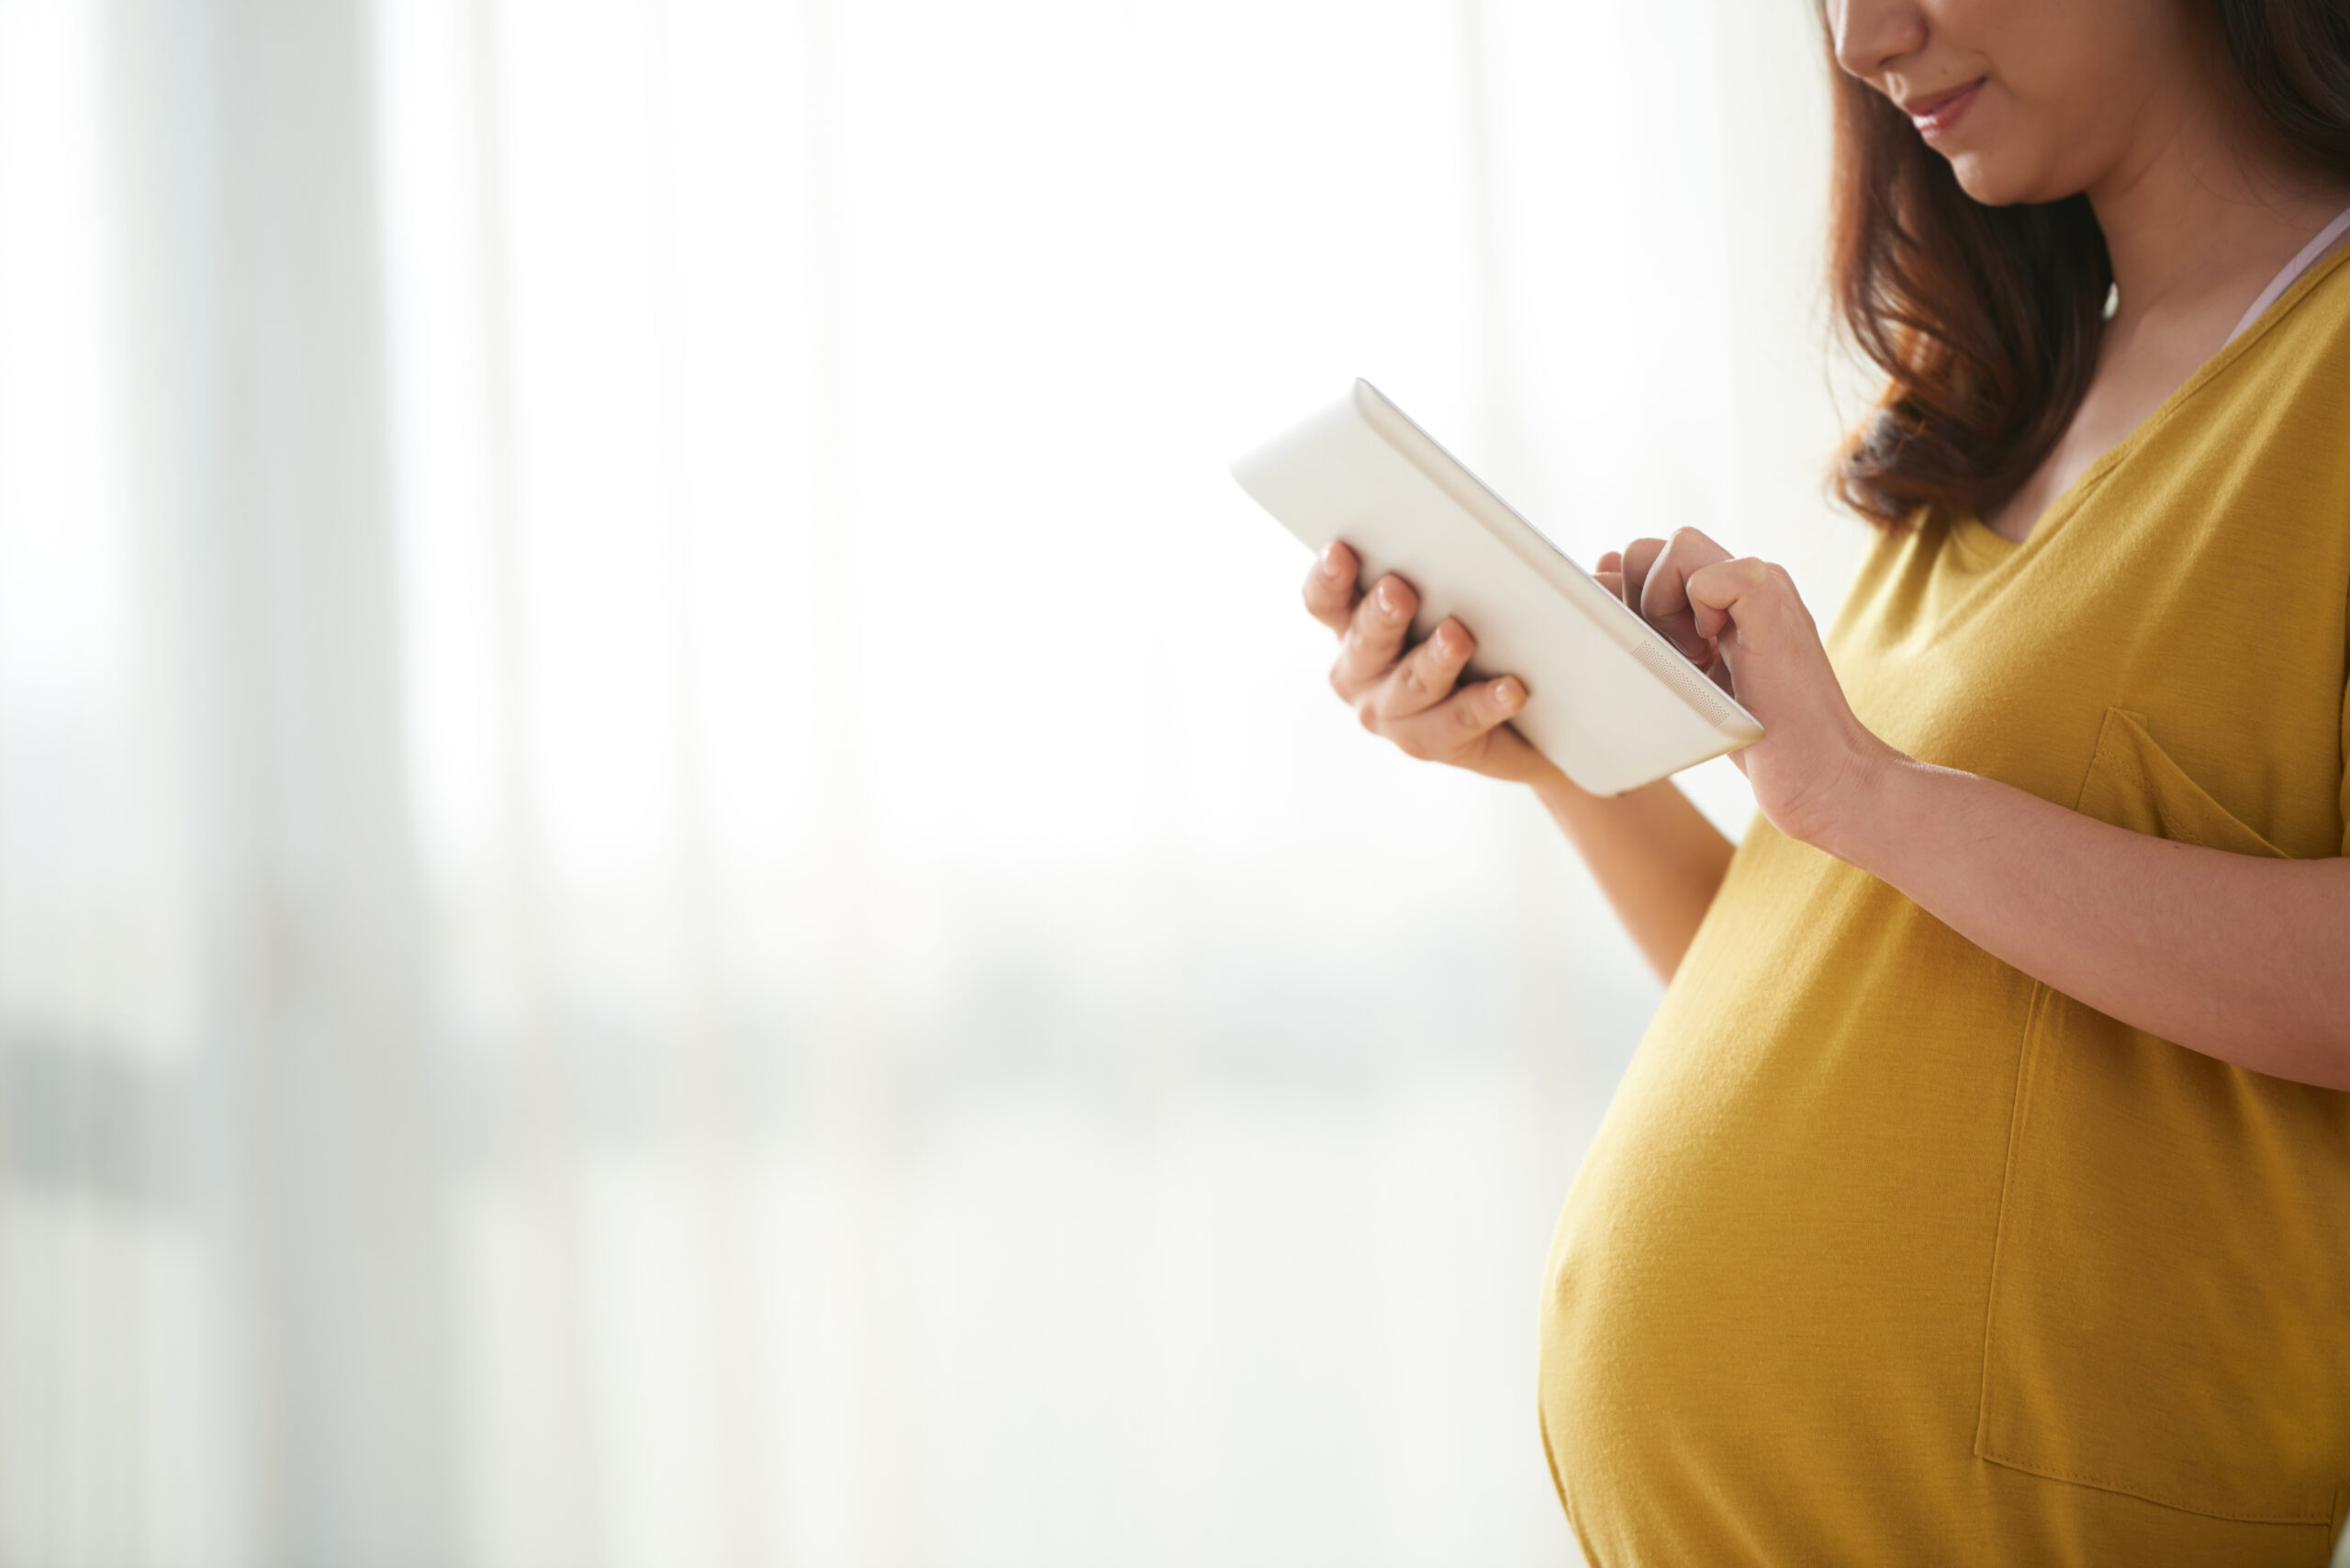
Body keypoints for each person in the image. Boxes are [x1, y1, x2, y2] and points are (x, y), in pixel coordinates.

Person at [1300, 2, 2350, 1562]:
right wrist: (1558, 754)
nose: (1866, 36)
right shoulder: (2010, 413)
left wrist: (1870, 791)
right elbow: (1852, 988)